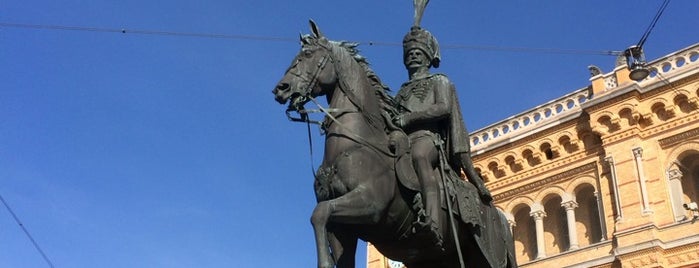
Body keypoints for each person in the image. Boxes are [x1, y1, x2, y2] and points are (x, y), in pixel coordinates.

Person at [393, 26, 493, 237]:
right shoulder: (402, 91)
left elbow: (443, 108)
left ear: (428, 58)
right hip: (403, 139)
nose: (413, 57)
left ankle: (433, 221)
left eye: (418, 53)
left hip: (428, 138)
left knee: (419, 155)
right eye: (409, 54)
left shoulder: (439, 81)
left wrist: (409, 118)